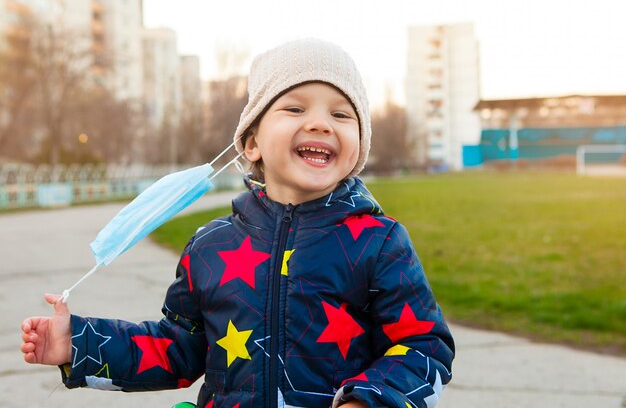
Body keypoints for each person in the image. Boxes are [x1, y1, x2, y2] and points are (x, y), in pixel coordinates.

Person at [21, 38, 454, 408]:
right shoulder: (210, 246)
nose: (321, 123)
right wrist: (78, 344)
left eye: (342, 115)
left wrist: (368, 400)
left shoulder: (379, 243)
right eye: (295, 107)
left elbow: (425, 347)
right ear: (251, 143)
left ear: (357, 145)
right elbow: (178, 349)